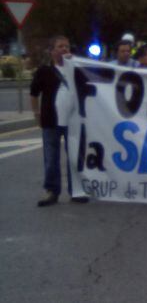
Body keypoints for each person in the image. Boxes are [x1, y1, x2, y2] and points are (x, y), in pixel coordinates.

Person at [31, 36, 88, 206]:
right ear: (52, 51)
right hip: (50, 121)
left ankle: (76, 191)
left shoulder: (76, 70)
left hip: (73, 121)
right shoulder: (44, 71)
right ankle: (52, 191)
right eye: (60, 46)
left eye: (67, 46)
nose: (64, 49)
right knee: (51, 158)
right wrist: (36, 114)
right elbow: (34, 94)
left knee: (74, 156)